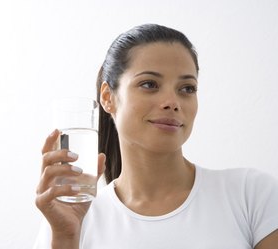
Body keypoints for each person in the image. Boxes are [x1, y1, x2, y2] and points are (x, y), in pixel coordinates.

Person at [33, 24, 278, 249]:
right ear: (107, 97)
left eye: (187, 89)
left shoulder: (251, 195)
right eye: (149, 84)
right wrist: (65, 237)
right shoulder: (70, 218)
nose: (172, 103)